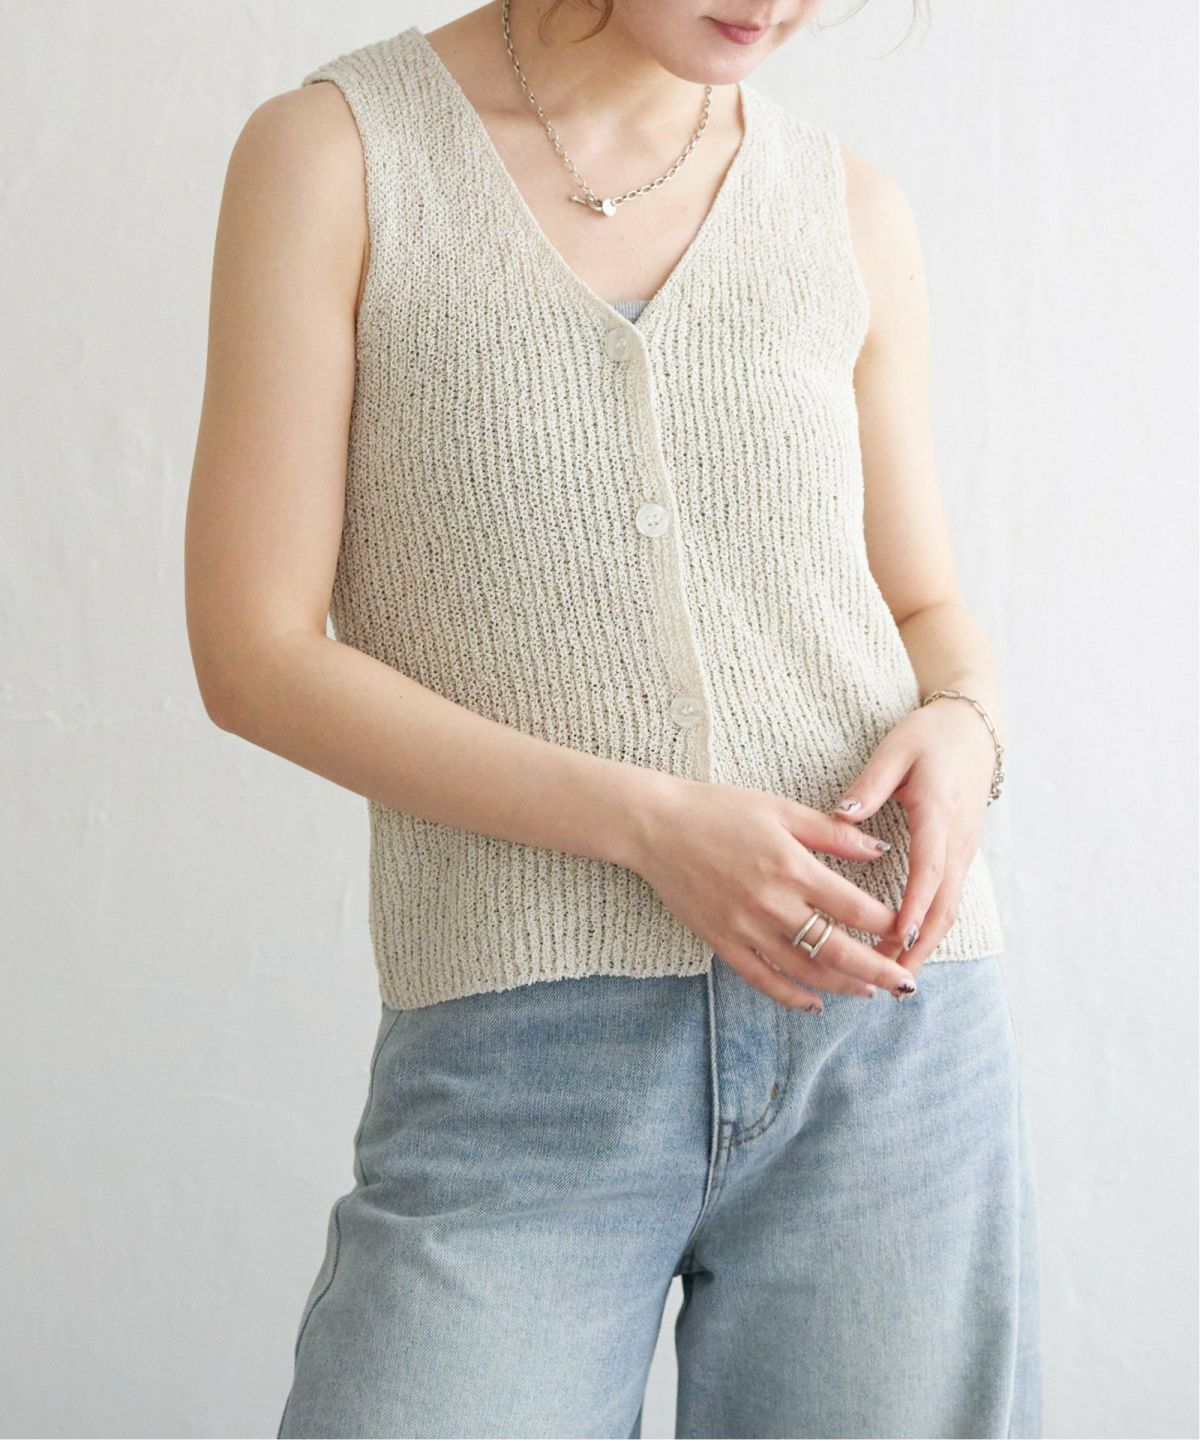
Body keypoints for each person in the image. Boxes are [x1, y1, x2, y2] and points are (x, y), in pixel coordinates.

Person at [184, 1, 1041, 1435]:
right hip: (524, 1054)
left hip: (890, 1033)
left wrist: (968, 726)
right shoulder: (338, 156)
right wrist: (649, 826)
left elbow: (925, 606)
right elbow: (254, 654)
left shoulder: (847, 207)